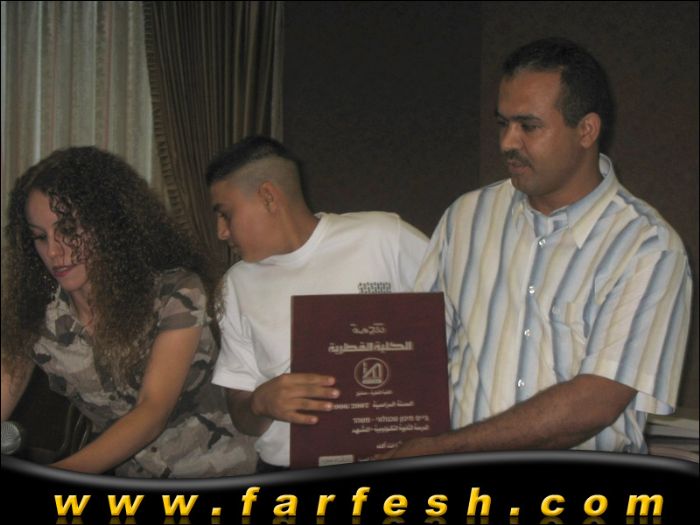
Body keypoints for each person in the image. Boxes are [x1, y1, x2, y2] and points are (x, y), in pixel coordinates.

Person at [382, 38, 692, 459]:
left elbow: (594, 404)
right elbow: (418, 352)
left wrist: (442, 449)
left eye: (528, 126)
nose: (508, 142)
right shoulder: (466, 217)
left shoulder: (648, 247)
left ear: (586, 131)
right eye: (503, 123)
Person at [1, 146, 256, 477]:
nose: (53, 251)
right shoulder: (35, 311)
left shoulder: (176, 292)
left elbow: (152, 411)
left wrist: (59, 475)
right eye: (39, 236)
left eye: (68, 231)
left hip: (219, 472)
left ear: (110, 226)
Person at [207, 136, 429, 471]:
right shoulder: (235, 285)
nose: (221, 232)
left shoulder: (383, 238)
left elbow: (459, 326)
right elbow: (241, 414)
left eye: (226, 214)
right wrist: (260, 403)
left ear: (268, 197)